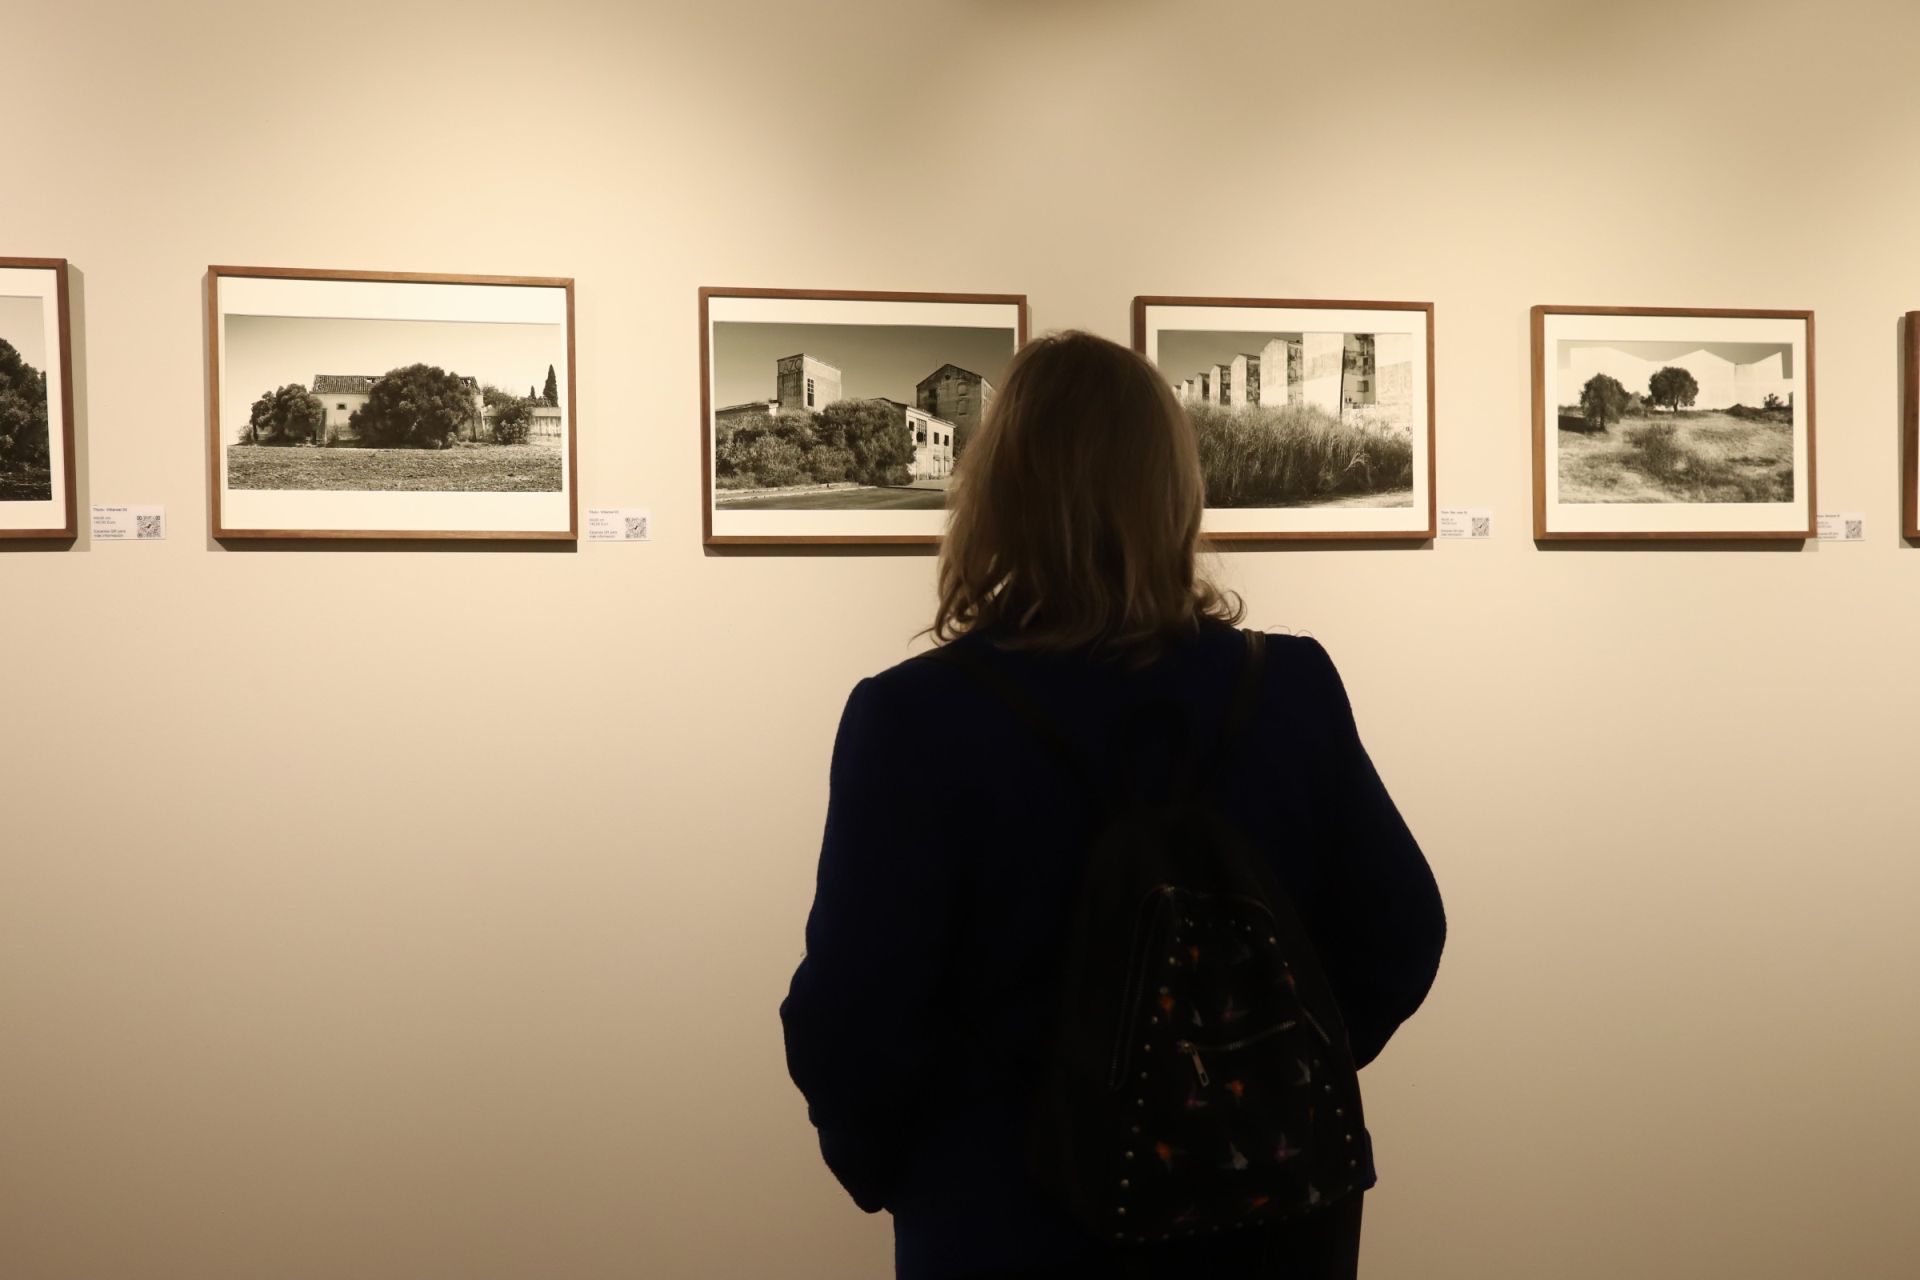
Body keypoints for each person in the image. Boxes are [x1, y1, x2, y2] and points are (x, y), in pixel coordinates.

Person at [780, 331, 1446, 1279]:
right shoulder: (1289, 687)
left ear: (995, 491)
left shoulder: (913, 718)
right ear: (1174, 492)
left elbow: (851, 1021)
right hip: (1266, 1214)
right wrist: (1243, 1084)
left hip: (1010, 1219)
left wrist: (915, 1168)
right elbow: (1400, 936)